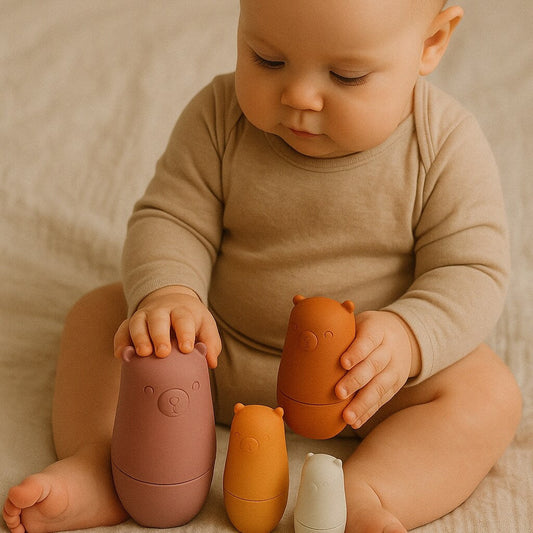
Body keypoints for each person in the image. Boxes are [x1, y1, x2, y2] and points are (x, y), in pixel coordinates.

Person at [3, 1, 522, 532]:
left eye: (347, 75)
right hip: (212, 354)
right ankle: (106, 464)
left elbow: (472, 269)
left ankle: (369, 494)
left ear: (432, 43)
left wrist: (410, 338)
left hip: (364, 383)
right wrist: (171, 295)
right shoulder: (219, 116)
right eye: (267, 59)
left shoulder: (443, 145)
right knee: (101, 315)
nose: (299, 96)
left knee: (488, 393)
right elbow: (172, 218)